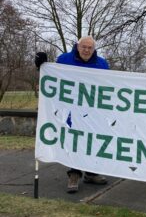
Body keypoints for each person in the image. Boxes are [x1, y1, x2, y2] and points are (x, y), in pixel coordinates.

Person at [35, 36, 109, 193]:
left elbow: (108, 85)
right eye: (84, 47)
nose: (87, 50)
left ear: (94, 49)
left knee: (91, 141)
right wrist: (42, 66)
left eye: (90, 48)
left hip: (92, 111)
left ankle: (90, 173)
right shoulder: (64, 59)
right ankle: (74, 174)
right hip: (70, 110)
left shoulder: (101, 64)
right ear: (78, 46)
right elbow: (53, 78)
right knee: (74, 140)